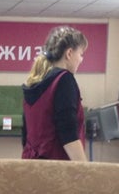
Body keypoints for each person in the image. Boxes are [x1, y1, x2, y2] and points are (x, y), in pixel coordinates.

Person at [21, 26, 88, 161]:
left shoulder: (34, 82)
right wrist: (85, 169)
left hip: (31, 164)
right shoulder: (64, 79)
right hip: (56, 166)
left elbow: (25, 135)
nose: (81, 59)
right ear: (69, 53)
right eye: (81, 54)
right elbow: (68, 134)